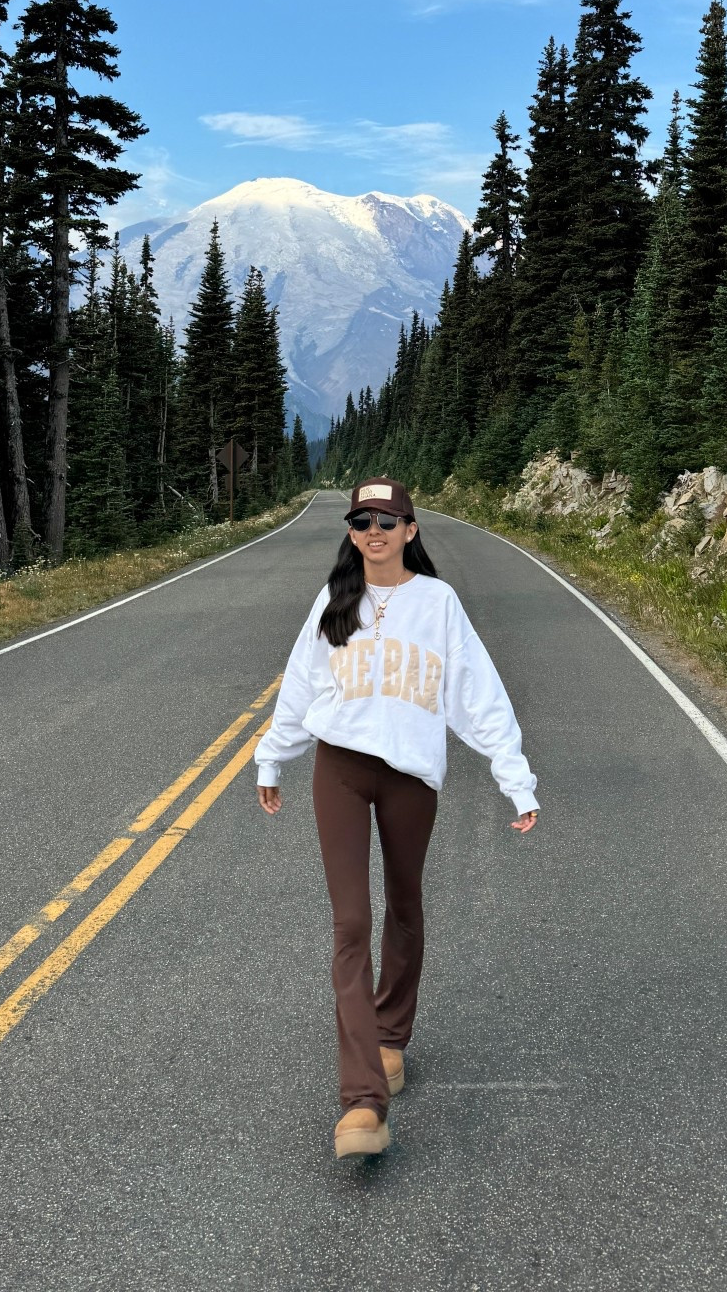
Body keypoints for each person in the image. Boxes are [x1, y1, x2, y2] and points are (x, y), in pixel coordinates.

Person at [257, 476, 539, 1160]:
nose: (374, 530)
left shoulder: (438, 603)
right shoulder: (335, 600)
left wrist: (515, 778)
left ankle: (390, 1036)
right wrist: (272, 757)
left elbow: (477, 692)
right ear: (351, 531)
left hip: (412, 775)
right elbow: (302, 683)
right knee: (351, 922)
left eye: (388, 519)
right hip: (342, 770)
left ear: (412, 529)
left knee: (404, 907)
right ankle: (362, 1102)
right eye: (362, 520)